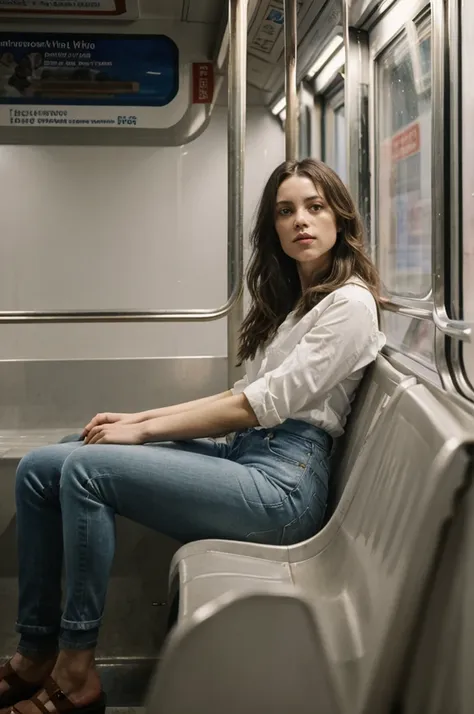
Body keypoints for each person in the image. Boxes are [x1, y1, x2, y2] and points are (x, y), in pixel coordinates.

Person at [0, 159, 385, 714]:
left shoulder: (350, 304)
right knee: (47, 463)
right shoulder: (301, 304)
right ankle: (34, 651)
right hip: (249, 456)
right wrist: (134, 419)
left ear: (339, 217)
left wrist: (142, 429)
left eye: (314, 206)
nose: (300, 220)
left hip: (283, 487)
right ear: (273, 228)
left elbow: (257, 406)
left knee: (88, 470)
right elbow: (239, 396)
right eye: (286, 211)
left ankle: (77, 670)